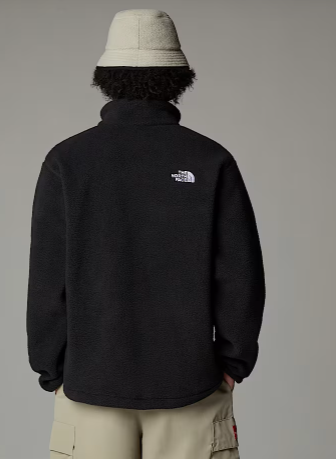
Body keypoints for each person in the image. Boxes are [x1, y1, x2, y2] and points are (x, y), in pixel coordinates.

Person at [27, 9, 265, 459]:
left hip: (89, 387)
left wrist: (52, 369)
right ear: (179, 78)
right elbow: (241, 276)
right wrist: (233, 361)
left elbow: (46, 280)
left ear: (106, 78)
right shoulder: (210, 159)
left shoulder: (67, 161)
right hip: (192, 385)